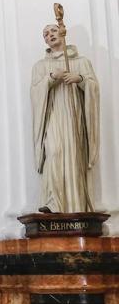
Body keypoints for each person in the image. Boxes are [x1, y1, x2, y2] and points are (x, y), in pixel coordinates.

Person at [30, 22, 99, 213]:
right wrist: (51, 77)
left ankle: (75, 205)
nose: (49, 35)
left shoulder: (81, 62)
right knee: (53, 151)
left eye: (53, 31)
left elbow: (94, 88)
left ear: (62, 32)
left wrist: (81, 79)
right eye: (45, 34)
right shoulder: (41, 66)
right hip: (53, 116)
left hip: (73, 117)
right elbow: (35, 93)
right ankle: (53, 203)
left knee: (73, 157)